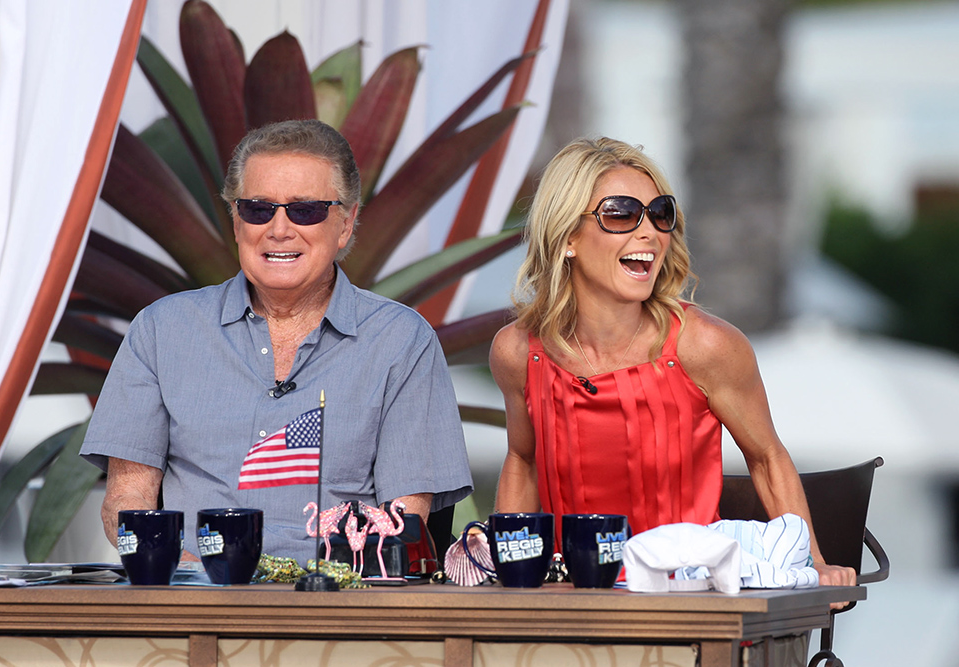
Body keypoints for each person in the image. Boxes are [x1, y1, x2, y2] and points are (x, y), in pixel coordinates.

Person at [81, 119, 472, 564]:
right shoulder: (160, 330)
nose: (279, 229)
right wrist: (186, 574)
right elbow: (125, 502)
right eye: (258, 209)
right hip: (191, 600)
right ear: (235, 220)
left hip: (337, 607)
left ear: (345, 224)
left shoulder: (401, 340)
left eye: (305, 210)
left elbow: (404, 518)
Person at [490, 136, 855, 591]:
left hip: (686, 601)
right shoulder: (518, 351)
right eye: (621, 213)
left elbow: (766, 457)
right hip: (570, 599)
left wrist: (815, 564)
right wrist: (511, 577)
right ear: (567, 239)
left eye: (660, 214)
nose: (649, 233)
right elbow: (522, 461)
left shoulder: (705, 345)